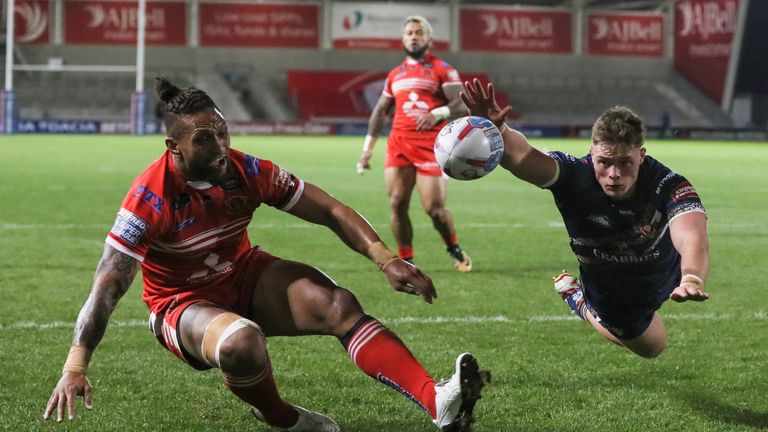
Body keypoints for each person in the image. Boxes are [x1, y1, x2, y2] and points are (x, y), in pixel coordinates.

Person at [42, 77, 488, 431]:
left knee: (339, 304)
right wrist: (75, 365)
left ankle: (437, 402)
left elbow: (329, 209)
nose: (220, 147)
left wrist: (385, 258)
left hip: (243, 274)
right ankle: (282, 417)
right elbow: (108, 284)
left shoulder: (246, 170)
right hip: (180, 304)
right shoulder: (149, 197)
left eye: (222, 133)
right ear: (174, 147)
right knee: (243, 342)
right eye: (204, 139)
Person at [461, 78, 710, 359]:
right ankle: (578, 300)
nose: (614, 174)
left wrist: (692, 277)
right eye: (605, 162)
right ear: (592, 154)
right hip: (610, 289)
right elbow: (524, 157)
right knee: (653, 348)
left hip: (667, 272)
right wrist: (498, 131)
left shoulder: (667, 183)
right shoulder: (574, 176)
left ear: (641, 155)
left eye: (625, 162)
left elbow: (692, 235)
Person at [355, 15, 472, 272]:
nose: (414, 37)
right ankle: (406, 259)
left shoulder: (442, 68)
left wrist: (437, 113)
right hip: (399, 145)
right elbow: (380, 112)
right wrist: (366, 151)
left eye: (419, 33)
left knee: (434, 210)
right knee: (397, 202)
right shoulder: (395, 74)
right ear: (403, 39)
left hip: (432, 146)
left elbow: (462, 103)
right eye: (409, 33)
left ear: (429, 39)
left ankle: (452, 246)